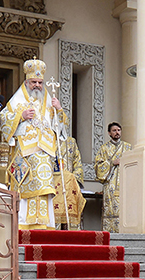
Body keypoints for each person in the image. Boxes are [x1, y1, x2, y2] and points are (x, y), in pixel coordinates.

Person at [5, 59, 85, 229]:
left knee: (45, 188)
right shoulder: (17, 101)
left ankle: (45, 225)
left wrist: (59, 109)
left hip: (45, 153)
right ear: (26, 82)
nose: (37, 86)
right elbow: (3, 120)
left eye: (40, 83)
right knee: (26, 188)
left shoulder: (49, 101)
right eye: (33, 82)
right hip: (25, 154)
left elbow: (61, 127)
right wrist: (21, 116)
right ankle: (24, 225)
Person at [93, 121, 132, 234]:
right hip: (110, 185)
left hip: (125, 184)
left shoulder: (128, 147)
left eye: (119, 130)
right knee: (110, 209)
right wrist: (111, 163)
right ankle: (109, 234)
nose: (117, 133)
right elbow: (98, 166)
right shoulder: (104, 148)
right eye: (114, 131)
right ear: (109, 133)